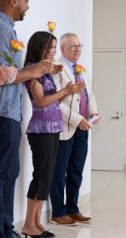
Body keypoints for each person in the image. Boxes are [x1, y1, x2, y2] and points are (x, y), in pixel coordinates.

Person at [0, 0, 55, 237]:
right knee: (5, 174)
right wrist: (32, 72)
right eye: (26, 0)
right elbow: (4, 73)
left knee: (9, 173)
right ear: (14, 0)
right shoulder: (1, 29)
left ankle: (6, 227)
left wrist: (35, 71)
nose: (28, 5)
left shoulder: (9, 29)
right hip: (4, 114)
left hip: (11, 113)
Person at [21, 31, 83, 238]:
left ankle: (37, 222)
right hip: (41, 129)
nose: (54, 51)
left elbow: (51, 98)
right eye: (51, 47)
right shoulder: (32, 70)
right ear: (40, 48)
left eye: (56, 47)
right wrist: (66, 91)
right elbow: (40, 102)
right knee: (40, 177)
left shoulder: (45, 71)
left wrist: (63, 86)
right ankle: (29, 224)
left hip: (54, 127)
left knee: (46, 177)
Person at [50, 33, 99, 226]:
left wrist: (94, 113)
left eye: (79, 45)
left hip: (82, 128)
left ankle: (72, 208)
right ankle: (58, 211)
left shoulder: (81, 69)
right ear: (62, 49)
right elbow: (55, 100)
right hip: (65, 128)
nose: (78, 49)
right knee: (59, 171)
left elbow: (89, 94)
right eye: (72, 46)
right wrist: (78, 119)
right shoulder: (57, 68)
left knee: (76, 170)